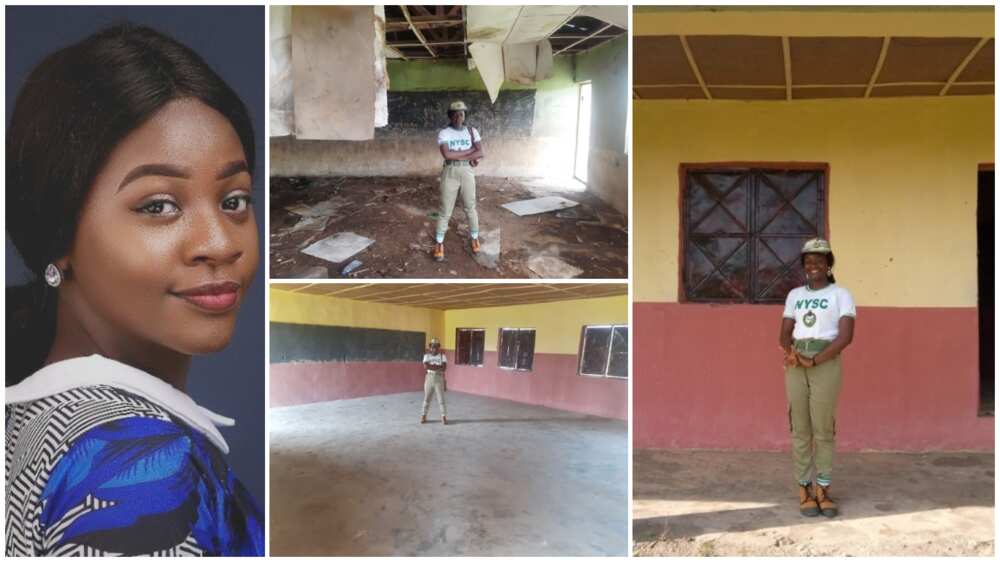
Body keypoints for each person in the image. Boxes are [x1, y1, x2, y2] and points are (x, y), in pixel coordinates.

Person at [5, 23, 263, 556]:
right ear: (60, 235)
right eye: (158, 206)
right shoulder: (132, 468)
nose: (219, 243)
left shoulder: (43, 422)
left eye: (234, 200)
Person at [779, 238, 856, 519]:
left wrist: (815, 360)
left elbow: (846, 336)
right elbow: (784, 333)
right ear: (803, 265)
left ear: (828, 264)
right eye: (808, 260)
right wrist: (790, 353)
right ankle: (804, 489)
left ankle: (823, 489)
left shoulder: (841, 295)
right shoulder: (795, 295)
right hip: (797, 363)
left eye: (819, 260)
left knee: (823, 430)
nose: (813, 265)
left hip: (825, 362)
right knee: (800, 429)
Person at [433, 100, 484, 262]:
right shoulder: (444, 133)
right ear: (450, 116)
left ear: (464, 115)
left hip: (468, 171)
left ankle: (474, 238)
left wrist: (461, 153)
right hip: (450, 171)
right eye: (455, 114)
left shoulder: (472, 131)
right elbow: (447, 155)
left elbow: (481, 152)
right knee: (445, 210)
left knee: (470, 207)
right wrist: (471, 152)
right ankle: (439, 243)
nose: (458, 117)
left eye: (461, 114)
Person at [420, 338, 448, 425]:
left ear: (439, 347)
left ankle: (443, 417)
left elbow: (444, 368)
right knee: (426, 398)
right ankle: (423, 416)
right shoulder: (426, 356)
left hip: (439, 378)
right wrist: (437, 366)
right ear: (430, 347)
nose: (434, 348)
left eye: (436, 346)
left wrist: (431, 366)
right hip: (429, 377)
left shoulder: (442, 356)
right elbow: (426, 366)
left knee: (441, 399)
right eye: (432, 346)